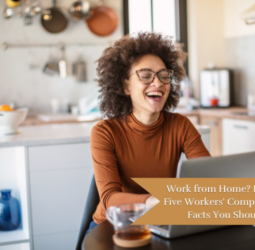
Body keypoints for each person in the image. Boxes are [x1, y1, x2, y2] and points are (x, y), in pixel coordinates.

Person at [85, 32, 211, 236]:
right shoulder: (104, 132)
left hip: (161, 222)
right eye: (145, 76)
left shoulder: (181, 125)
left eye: (164, 76)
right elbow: (109, 200)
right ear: (125, 85)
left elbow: (207, 176)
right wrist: (159, 200)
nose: (158, 83)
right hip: (112, 226)